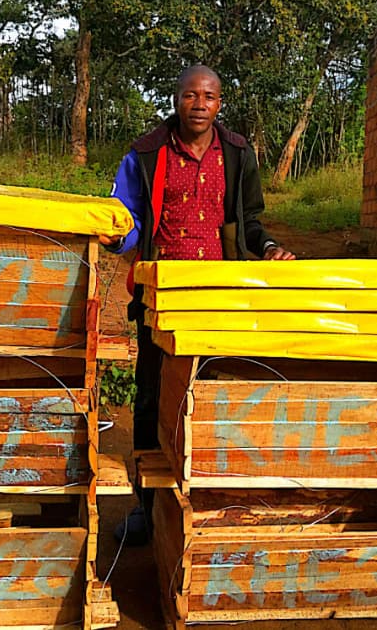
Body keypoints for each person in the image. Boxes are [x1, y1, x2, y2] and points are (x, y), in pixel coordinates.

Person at [101, 64, 294, 545]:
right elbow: (128, 217)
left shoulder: (238, 153)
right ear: (176, 99)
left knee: (210, 394)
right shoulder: (147, 154)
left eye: (209, 96)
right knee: (152, 395)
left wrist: (269, 247)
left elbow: (249, 221)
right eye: (191, 95)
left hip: (219, 297)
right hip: (161, 298)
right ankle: (147, 507)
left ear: (219, 103)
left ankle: (206, 498)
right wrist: (116, 235)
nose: (200, 104)